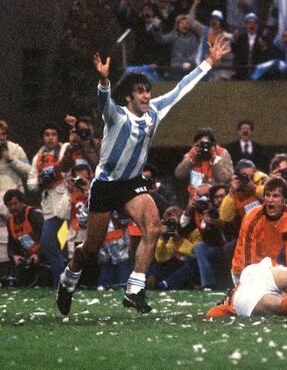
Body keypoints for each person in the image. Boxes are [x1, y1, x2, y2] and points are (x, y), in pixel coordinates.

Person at [56, 36, 231, 316]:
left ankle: (134, 290)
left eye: (148, 90)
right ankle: (68, 280)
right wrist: (103, 81)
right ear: (129, 97)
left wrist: (209, 62)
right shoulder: (116, 116)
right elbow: (103, 103)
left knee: (153, 227)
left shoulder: (155, 111)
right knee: (90, 248)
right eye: (140, 91)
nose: (146, 95)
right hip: (106, 186)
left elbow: (181, 88)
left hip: (133, 184)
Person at [230, 176, 287, 285]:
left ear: (285, 200)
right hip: (243, 270)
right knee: (254, 298)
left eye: (276, 196)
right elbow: (248, 256)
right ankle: (231, 297)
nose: (270, 200)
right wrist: (250, 281)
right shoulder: (252, 218)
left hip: (270, 268)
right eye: (267, 195)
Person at [27, 124, 70, 287]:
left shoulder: (65, 149)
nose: (50, 137)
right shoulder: (38, 157)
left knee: (74, 244)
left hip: (69, 199)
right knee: (47, 242)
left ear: (58, 137)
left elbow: (70, 168)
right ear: (43, 137)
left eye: (53, 134)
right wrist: (41, 181)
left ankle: (81, 280)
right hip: (49, 206)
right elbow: (31, 182)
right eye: (47, 134)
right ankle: (61, 279)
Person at [174, 127, 233, 198]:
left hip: (216, 198)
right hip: (195, 198)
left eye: (206, 144)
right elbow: (179, 174)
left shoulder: (222, 153)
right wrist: (191, 159)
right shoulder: (192, 153)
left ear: (213, 144)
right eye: (200, 144)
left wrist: (215, 160)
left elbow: (225, 179)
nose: (204, 147)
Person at [4, 189, 46, 286]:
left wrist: (38, 255)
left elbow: (46, 238)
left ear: (22, 202)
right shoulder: (9, 221)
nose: (12, 207)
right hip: (26, 257)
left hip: (42, 255)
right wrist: (14, 256)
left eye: (15, 203)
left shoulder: (34, 215)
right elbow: (11, 244)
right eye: (9, 205)